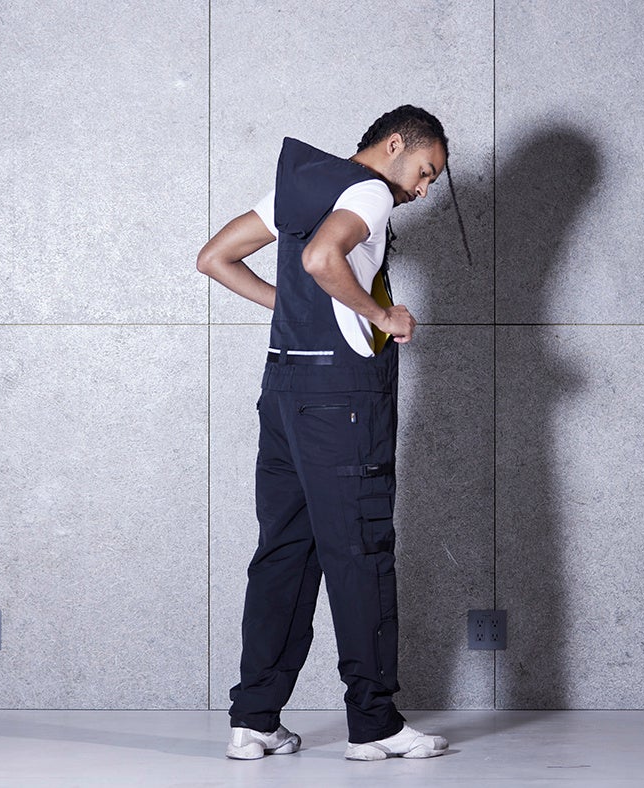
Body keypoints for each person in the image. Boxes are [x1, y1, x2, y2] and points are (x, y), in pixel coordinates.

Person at [197, 105, 450, 761]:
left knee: (284, 554)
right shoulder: (369, 191)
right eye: (425, 171)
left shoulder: (299, 187)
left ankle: (253, 720)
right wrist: (381, 316)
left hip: (284, 391)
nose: (423, 189)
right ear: (394, 144)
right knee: (359, 554)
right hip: (342, 401)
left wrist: (294, 306)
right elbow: (319, 256)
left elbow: (214, 258)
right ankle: (375, 725)